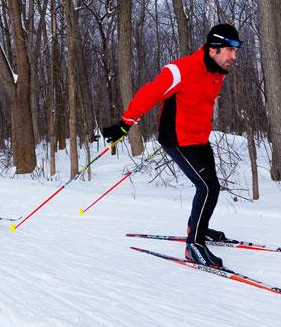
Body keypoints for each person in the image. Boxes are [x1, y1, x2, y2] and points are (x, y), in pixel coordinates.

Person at [102, 24, 242, 268]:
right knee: (207, 187)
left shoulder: (217, 73)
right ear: (213, 49)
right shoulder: (181, 69)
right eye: (230, 50)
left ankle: (198, 227)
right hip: (178, 140)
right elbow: (150, 92)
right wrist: (125, 124)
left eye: (236, 51)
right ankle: (194, 246)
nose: (234, 56)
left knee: (212, 187)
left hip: (199, 138)